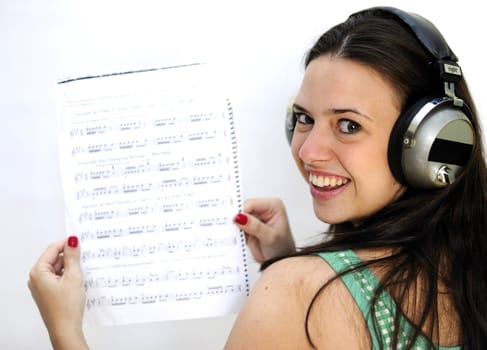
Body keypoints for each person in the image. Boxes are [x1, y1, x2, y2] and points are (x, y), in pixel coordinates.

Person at [28, 6, 487, 349]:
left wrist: (64, 331)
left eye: (348, 125)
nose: (307, 151)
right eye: (304, 118)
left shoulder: (297, 294)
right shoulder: (471, 273)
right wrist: (286, 263)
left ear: (432, 142)